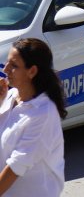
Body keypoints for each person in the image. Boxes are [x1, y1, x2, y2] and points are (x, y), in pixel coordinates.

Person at [0, 39, 66, 195]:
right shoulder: (10, 96)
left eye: (14, 66)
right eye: (7, 63)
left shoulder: (43, 114)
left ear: (32, 71)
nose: (6, 70)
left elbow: (16, 167)